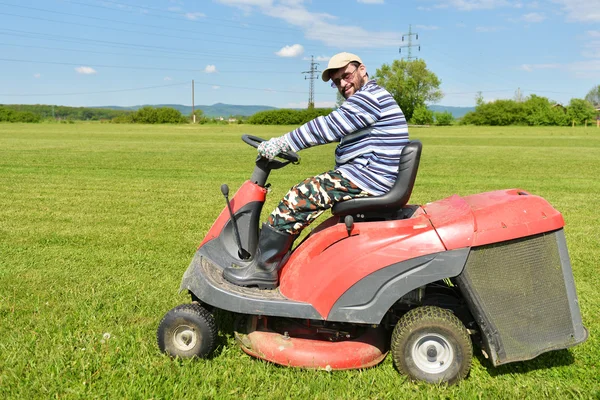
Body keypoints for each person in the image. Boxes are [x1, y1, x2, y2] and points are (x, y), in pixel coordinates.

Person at [223, 52, 409, 289]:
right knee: (307, 190)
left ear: (362, 69)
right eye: (337, 81)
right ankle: (271, 263)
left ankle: (263, 269)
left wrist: (281, 143)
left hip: (368, 179)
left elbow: (327, 126)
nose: (343, 84)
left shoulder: (369, 98)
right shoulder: (369, 99)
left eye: (346, 75)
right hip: (369, 176)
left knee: (299, 197)